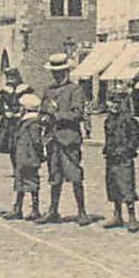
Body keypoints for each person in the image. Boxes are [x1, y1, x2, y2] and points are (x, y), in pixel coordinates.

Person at [40, 53, 96, 226]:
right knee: (54, 177)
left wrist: (57, 115)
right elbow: (42, 110)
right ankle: (53, 210)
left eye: (60, 72)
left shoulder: (75, 90)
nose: (57, 76)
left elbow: (78, 114)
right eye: (54, 73)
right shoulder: (48, 90)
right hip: (52, 140)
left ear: (67, 72)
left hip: (68, 138)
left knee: (75, 176)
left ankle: (82, 211)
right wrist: (43, 118)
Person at [102, 89, 139, 232]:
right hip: (111, 157)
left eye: (117, 102)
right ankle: (117, 215)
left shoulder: (129, 120)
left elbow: (138, 137)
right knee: (113, 186)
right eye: (111, 102)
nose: (114, 105)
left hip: (124, 158)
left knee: (127, 187)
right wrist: (107, 148)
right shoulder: (108, 120)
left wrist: (128, 148)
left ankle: (132, 217)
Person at [5, 92, 46, 220]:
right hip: (22, 157)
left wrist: (40, 154)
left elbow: (37, 141)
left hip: (29, 157)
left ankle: (35, 208)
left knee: (32, 182)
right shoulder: (26, 121)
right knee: (20, 182)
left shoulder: (33, 123)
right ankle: (18, 208)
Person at [0, 67, 31, 162]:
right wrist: (5, 112)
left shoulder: (25, 89)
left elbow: (30, 102)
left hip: (21, 118)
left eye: (12, 77)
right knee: (10, 145)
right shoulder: (5, 91)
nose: (11, 79)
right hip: (9, 122)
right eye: (9, 77)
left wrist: (21, 112)